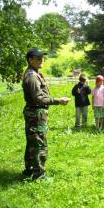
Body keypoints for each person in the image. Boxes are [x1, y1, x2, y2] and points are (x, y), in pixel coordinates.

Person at [22, 48, 70, 180]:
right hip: (36, 113)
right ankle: (39, 175)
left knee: (32, 142)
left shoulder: (34, 73)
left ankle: (30, 169)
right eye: (38, 58)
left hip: (34, 113)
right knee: (39, 143)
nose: (41, 60)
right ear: (30, 60)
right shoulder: (32, 76)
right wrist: (58, 101)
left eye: (42, 58)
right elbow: (38, 98)